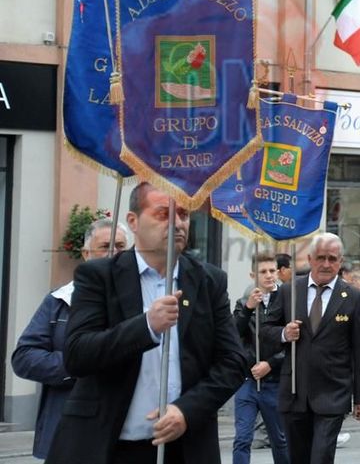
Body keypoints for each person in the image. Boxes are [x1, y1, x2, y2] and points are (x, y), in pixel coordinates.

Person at [45, 182, 247, 464]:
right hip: (110, 446)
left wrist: (187, 410)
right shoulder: (99, 276)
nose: (177, 223)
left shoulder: (208, 281)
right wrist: (146, 327)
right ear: (133, 221)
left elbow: (233, 362)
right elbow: (78, 354)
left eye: (184, 215)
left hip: (184, 446)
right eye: (164, 214)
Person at [13, 218, 130, 460]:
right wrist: (80, 363)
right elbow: (24, 357)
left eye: (120, 246)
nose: (114, 253)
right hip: (68, 428)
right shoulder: (59, 301)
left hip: (123, 431)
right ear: (86, 254)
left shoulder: (141, 301)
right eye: (105, 246)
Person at [261, 232, 360, 464]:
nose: (326, 264)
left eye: (332, 259)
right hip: (295, 392)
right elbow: (265, 330)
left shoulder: (353, 297)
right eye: (321, 258)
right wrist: (284, 333)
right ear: (310, 259)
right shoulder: (289, 291)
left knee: (321, 457)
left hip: (333, 394)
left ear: (340, 262)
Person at [232, 252, 289, 464]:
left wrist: (271, 364)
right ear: (253, 275)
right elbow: (233, 335)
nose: (268, 275)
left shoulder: (286, 301)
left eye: (272, 271)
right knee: (242, 439)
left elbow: (294, 345)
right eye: (263, 271)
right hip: (247, 381)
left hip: (275, 382)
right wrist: (248, 309)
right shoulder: (243, 303)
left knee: (280, 439)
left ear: (278, 272)